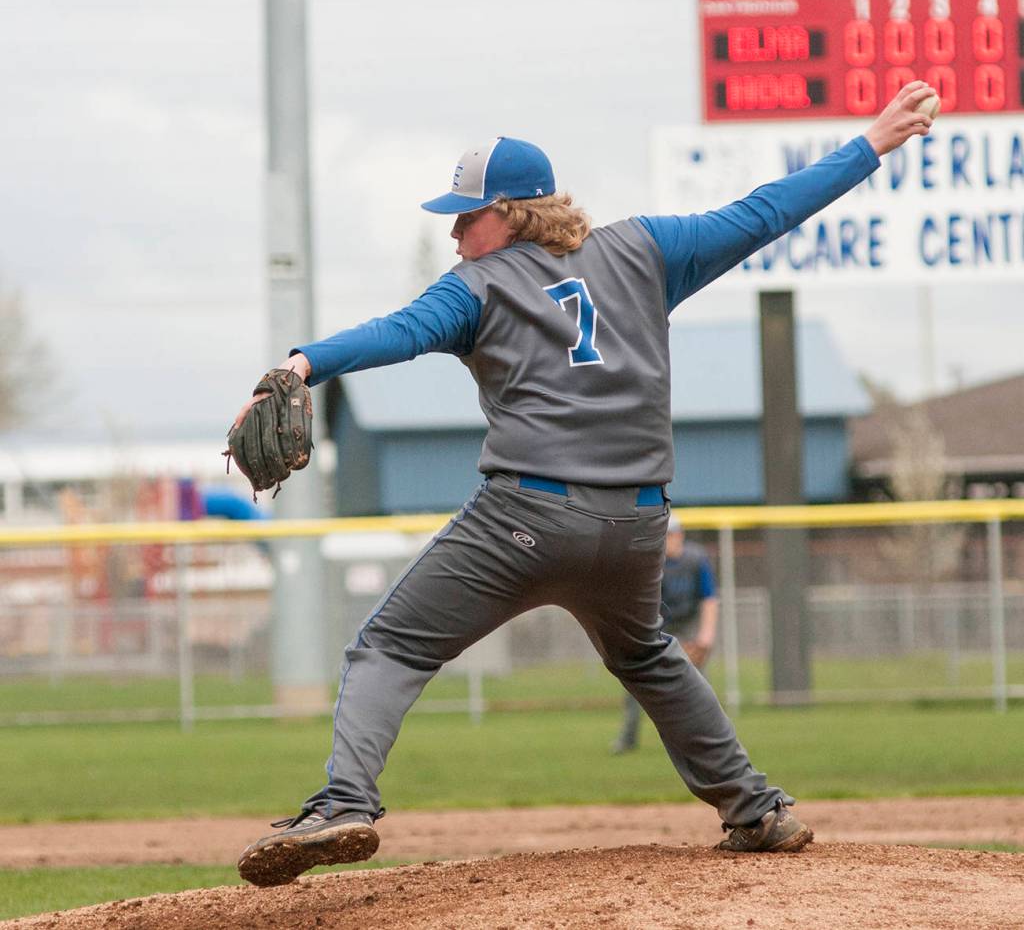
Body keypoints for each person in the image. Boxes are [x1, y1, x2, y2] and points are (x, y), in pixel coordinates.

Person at [232, 81, 937, 887]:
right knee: (646, 653)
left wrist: (302, 361)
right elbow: (764, 211)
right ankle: (757, 809)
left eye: (468, 216)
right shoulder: (648, 247)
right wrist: (869, 145)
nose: (457, 233)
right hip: (636, 527)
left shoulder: (477, 287)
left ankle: (343, 803)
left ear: (516, 211)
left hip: (523, 518)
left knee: (389, 644)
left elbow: (398, 332)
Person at [612, 515, 717, 754]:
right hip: (657, 625)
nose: (670, 540)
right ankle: (628, 739)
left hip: (688, 625)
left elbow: (709, 598)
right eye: (666, 536)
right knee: (636, 682)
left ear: (681, 535)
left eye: (674, 534)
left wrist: (705, 636)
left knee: (699, 685)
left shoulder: (696, 559)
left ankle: (707, 740)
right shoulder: (649, 561)